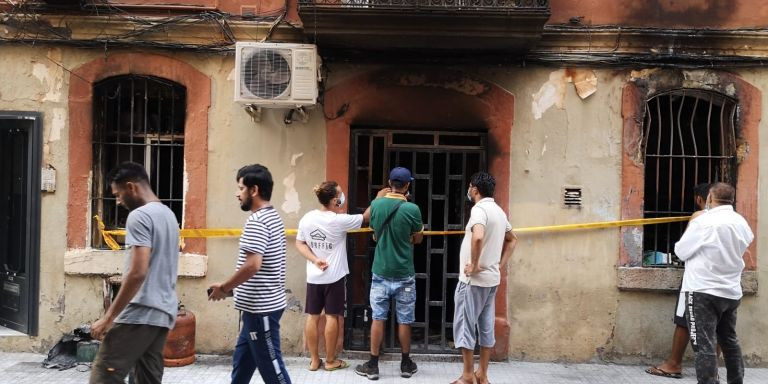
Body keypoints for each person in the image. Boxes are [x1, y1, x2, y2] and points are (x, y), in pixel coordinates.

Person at [89, 162, 180, 384]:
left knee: (103, 377)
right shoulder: (168, 215)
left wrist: (108, 317)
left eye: (117, 194)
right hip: (162, 315)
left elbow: (138, 272)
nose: (118, 201)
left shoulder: (139, 216)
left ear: (131, 187)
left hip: (139, 313)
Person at [208, 164, 292, 384]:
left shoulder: (257, 221)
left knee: (273, 371)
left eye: (240, 188)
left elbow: (253, 265)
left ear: (254, 190)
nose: (237, 194)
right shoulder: (272, 216)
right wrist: (230, 290)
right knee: (242, 367)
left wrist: (224, 288)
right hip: (256, 309)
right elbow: (262, 269)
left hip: (260, 310)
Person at [295, 181, 385, 372]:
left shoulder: (307, 218)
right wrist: (377, 199)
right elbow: (366, 217)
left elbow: (300, 243)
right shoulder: (339, 220)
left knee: (312, 317)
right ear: (335, 200)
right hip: (334, 277)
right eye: (340, 194)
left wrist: (315, 259)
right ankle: (330, 361)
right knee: (332, 317)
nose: (343, 196)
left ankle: (314, 360)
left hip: (314, 277)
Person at [675, 182, 753, 384]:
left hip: (702, 291)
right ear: (732, 199)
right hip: (730, 291)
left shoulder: (704, 221)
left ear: (709, 197)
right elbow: (746, 242)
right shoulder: (741, 222)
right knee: (729, 341)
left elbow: (681, 251)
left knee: (704, 345)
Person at [355, 167, 424, 381]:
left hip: (381, 272)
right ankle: (405, 364)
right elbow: (418, 238)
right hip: (404, 273)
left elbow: (369, 224)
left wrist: (377, 198)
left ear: (389, 183)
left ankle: (373, 365)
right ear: (407, 185)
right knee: (404, 320)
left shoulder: (377, 205)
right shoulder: (412, 209)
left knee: (378, 317)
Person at [451, 172, 517, 384]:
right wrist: (499, 265)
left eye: (470, 187)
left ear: (475, 189)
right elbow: (512, 239)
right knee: (486, 327)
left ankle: (467, 376)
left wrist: (474, 264)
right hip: (491, 280)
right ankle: (483, 374)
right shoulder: (499, 211)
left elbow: (478, 236)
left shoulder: (479, 210)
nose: (469, 190)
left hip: (473, 281)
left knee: (465, 326)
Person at [646, 182, 712, 379]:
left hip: (697, 278)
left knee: (684, 320)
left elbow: (683, 250)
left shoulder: (700, 216)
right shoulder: (736, 220)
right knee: (718, 325)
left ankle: (673, 364)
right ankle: (712, 370)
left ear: (700, 199)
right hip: (725, 282)